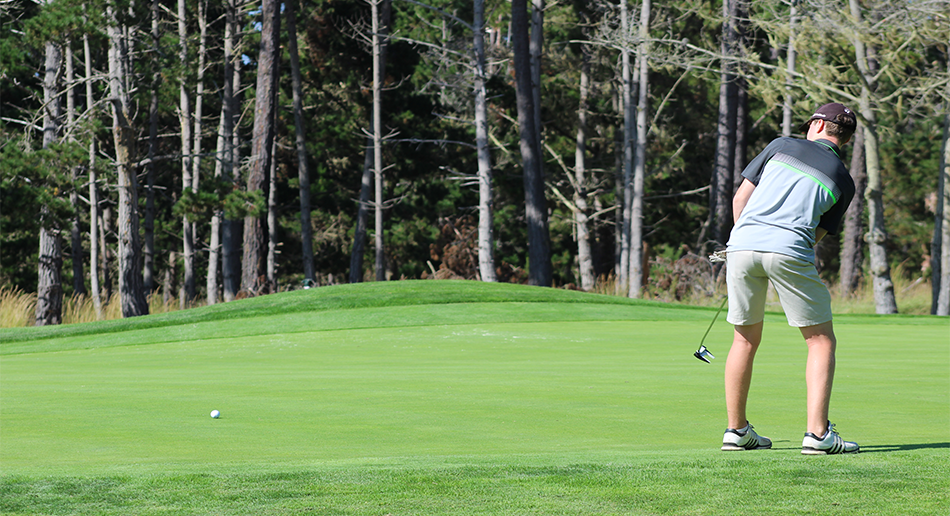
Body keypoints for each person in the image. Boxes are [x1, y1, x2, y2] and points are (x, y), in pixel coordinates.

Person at [720, 102, 861, 455]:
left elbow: (741, 199)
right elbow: (816, 236)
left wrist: (746, 242)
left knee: (744, 340)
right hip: (790, 249)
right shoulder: (844, 180)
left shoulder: (780, 145)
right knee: (820, 341)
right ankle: (817, 435)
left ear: (816, 125)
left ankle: (736, 431)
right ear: (844, 138)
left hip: (741, 246)